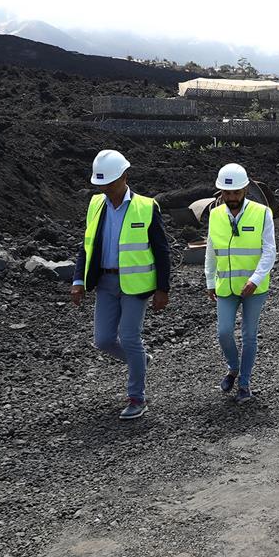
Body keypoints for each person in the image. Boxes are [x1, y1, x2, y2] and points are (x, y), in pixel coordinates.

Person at [71, 149, 170, 420]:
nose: (105, 189)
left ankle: (137, 398)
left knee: (128, 337)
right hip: (104, 281)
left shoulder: (147, 207)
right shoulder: (95, 205)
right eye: (101, 184)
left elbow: (162, 250)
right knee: (103, 340)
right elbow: (86, 246)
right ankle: (140, 360)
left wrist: (163, 289)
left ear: (125, 177)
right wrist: (78, 280)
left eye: (110, 184)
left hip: (136, 285)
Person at [205, 163, 277, 403]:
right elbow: (211, 249)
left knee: (249, 335)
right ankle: (233, 368)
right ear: (221, 193)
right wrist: (209, 279)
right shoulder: (215, 215)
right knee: (224, 332)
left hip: (254, 288)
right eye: (227, 193)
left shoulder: (262, 213)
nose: (232, 198)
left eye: (236, 193)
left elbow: (269, 251)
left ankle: (244, 383)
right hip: (225, 285)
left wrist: (255, 279)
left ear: (245, 189)